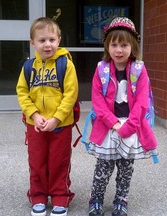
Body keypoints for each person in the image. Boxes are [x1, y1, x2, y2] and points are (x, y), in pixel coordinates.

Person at [87, 17, 158, 216]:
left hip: (131, 127)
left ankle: (121, 199)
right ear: (107, 46)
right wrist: (113, 123)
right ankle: (97, 198)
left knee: (126, 169)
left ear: (133, 46)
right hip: (107, 125)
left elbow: (142, 103)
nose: (119, 50)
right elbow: (97, 101)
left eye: (124, 45)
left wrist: (128, 127)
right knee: (103, 168)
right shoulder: (101, 70)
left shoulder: (139, 70)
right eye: (114, 44)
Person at [16, 17, 78, 216]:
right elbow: (22, 93)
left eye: (52, 39)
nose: (48, 44)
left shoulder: (66, 65)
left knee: (59, 162)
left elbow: (71, 94)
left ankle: (60, 197)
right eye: (42, 40)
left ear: (59, 40)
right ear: (32, 43)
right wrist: (33, 115)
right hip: (36, 125)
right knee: (37, 161)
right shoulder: (28, 67)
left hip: (61, 125)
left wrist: (56, 119)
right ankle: (38, 196)